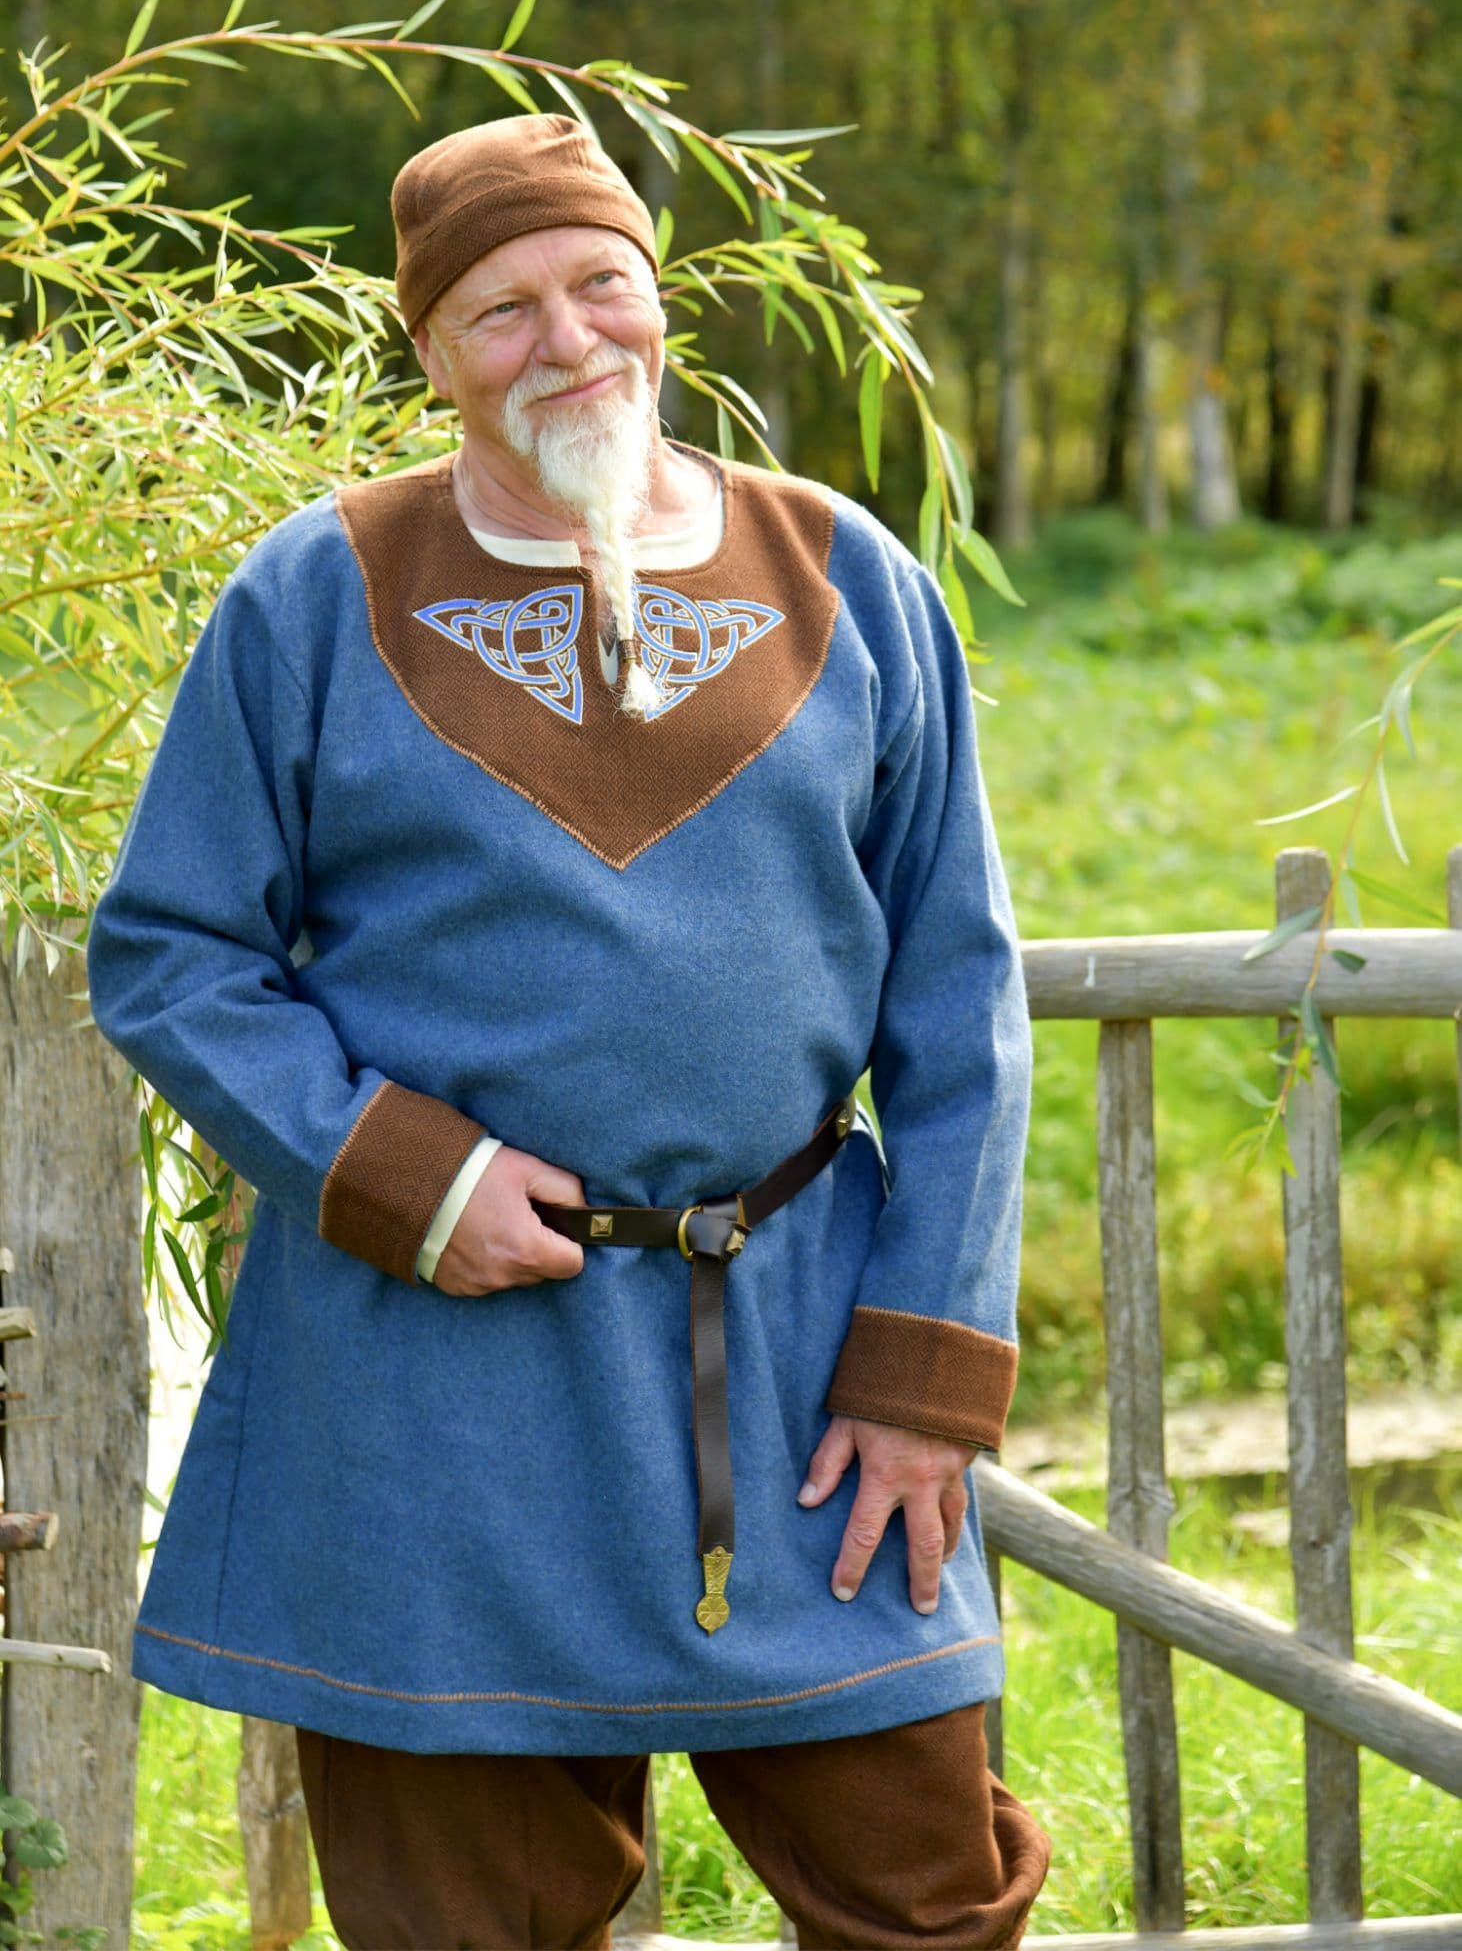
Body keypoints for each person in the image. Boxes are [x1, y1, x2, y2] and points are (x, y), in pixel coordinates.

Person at [85, 113, 1052, 1949]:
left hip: (795, 1367)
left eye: (601, 282)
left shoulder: (844, 577)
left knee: (926, 1905)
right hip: (432, 1391)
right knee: (470, 1929)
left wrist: (922, 1373)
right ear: (431, 353)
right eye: (501, 309)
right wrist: (404, 1175)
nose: (569, 338)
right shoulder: (317, 592)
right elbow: (171, 954)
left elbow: (957, 1004)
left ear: (657, 297)